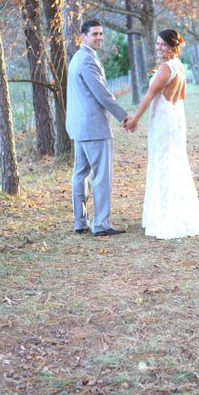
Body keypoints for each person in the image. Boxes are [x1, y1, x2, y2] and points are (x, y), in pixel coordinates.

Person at [125, 29, 199, 239]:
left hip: (163, 121)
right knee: (173, 163)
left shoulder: (165, 68)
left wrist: (135, 120)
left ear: (173, 47)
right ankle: (174, 212)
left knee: (163, 164)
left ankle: (165, 217)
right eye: (157, 44)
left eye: (163, 44)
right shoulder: (179, 66)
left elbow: (149, 96)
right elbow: (181, 95)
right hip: (175, 118)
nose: (158, 47)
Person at [66, 19, 135, 236]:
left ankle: (80, 222)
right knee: (100, 177)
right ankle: (102, 224)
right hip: (93, 127)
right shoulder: (87, 59)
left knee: (81, 175)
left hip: (80, 128)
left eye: (101, 34)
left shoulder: (78, 57)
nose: (99, 38)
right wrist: (123, 116)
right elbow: (102, 93)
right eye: (94, 34)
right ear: (83, 37)